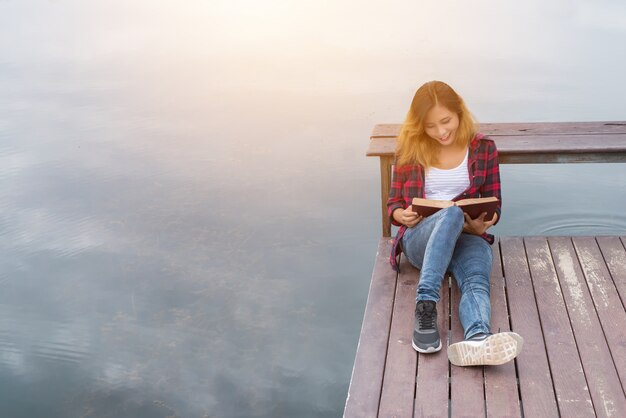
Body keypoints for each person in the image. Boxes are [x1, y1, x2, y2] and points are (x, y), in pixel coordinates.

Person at [387, 81, 523, 366]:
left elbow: (494, 202)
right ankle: (425, 305)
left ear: (459, 112)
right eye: (431, 126)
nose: (441, 131)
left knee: (476, 278)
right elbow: (393, 206)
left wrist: (483, 224)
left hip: (467, 236)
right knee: (450, 213)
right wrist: (401, 216)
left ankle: (478, 339)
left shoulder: (484, 148)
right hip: (420, 240)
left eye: (446, 121)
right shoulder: (409, 150)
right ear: (419, 125)